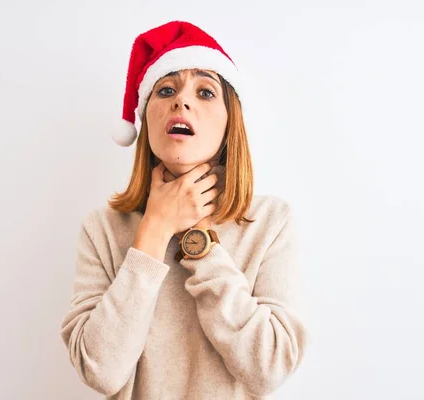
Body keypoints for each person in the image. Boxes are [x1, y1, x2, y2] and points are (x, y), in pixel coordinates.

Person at [60, 20, 310, 399]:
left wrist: (200, 241)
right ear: (147, 120)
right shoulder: (103, 229)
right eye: (166, 89)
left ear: (230, 123)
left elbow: (269, 368)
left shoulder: (270, 222)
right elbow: (100, 370)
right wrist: (155, 231)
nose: (182, 101)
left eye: (206, 91)